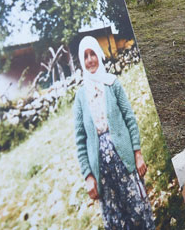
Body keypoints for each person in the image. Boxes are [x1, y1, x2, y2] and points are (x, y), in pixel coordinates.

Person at [73, 36, 155, 230]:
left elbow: (129, 118)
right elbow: (80, 140)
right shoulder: (80, 97)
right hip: (101, 171)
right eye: (85, 56)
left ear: (99, 55)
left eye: (93, 53)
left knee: (138, 210)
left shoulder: (112, 83)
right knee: (116, 220)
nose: (90, 59)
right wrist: (88, 175)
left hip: (124, 160)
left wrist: (137, 152)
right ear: (81, 61)